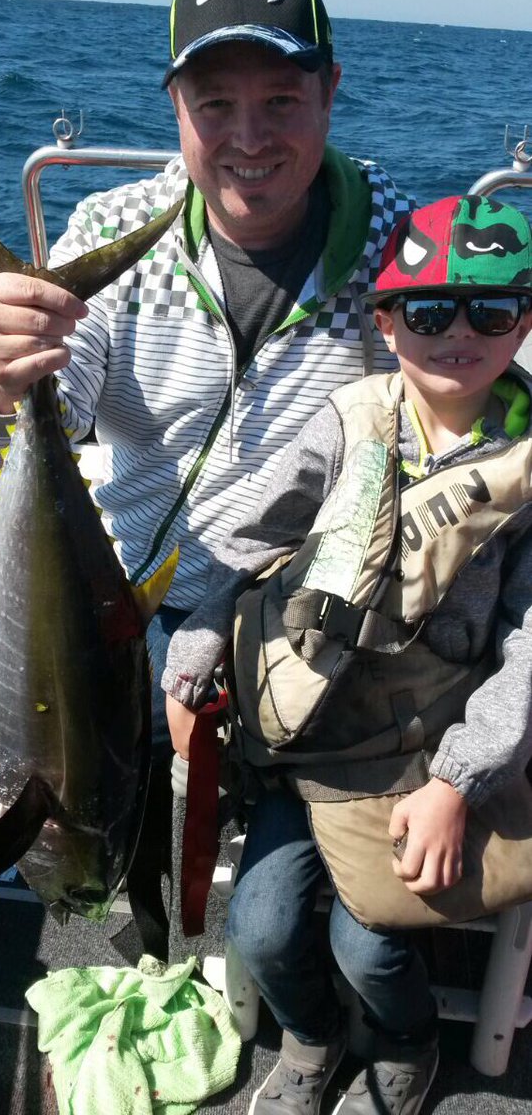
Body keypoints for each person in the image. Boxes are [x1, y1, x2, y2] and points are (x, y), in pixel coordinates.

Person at [0, 0, 411, 954]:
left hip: (238, 593)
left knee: (144, 742)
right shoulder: (117, 226)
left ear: (332, 90)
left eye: (282, 98)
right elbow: (16, 426)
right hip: (73, 546)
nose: (250, 137)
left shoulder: (394, 244)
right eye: (216, 103)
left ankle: (147, 917)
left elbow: (447, 403)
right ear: (175, 107)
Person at [161, 192, 532, 1114]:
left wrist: (459, 781)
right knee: (261, 928)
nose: (457, 331)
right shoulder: (348, 419)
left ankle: (404, 1040)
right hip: (308, 735)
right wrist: (197, 648)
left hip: (431, 748)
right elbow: (249, 539)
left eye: (488, 311)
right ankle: (311, 1035)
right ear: (383, 320)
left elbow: (528, 645)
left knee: (371, 944)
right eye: (426, 308)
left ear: (522, 321)